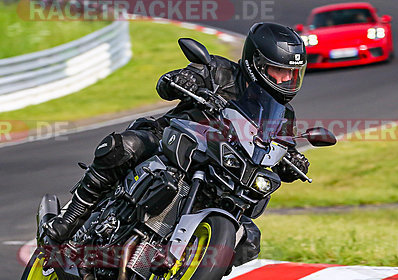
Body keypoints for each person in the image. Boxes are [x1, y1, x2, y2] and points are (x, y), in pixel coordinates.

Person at [43, 22, 311, 263]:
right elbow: (168, 83)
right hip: (172, 141)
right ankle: (70, 218)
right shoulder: (219, 71)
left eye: (292, 73)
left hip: (225, 172)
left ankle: (191, 273)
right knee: (123, 147)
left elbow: (280, 147)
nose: (286, 79)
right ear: (256, 64)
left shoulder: (283, 115)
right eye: (278, 71)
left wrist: (293, 161)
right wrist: (182, 80)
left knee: (249, 241)